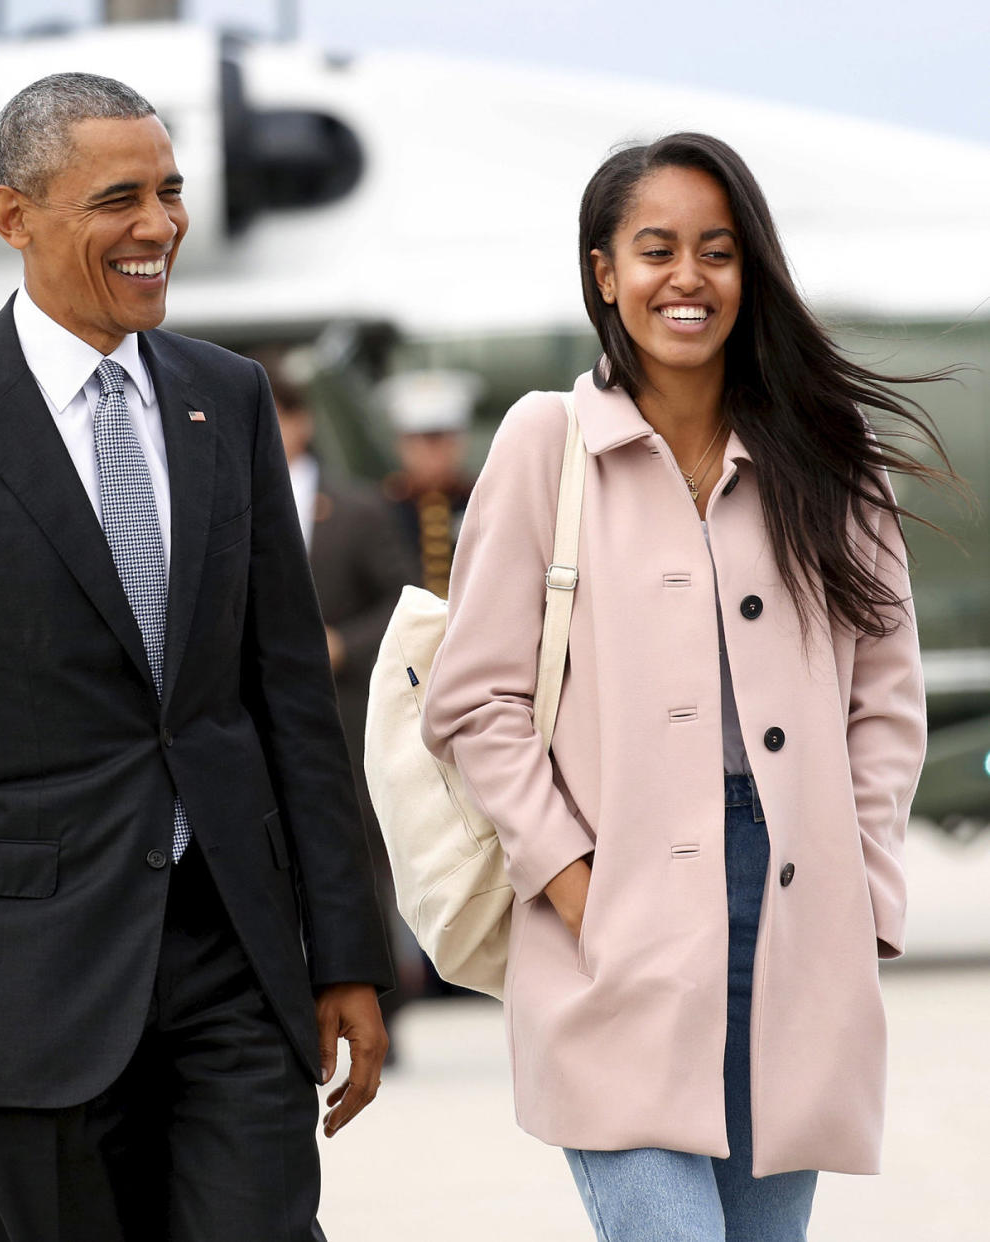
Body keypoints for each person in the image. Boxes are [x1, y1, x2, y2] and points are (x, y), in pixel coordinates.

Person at [0, 72, 391, 1242]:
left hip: (232, 955)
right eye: (118, 198)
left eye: (171, 194)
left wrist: (346, 954)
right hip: (28, 992)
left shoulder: (226, 400)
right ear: (13, 217)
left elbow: (289, 698)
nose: (159, 228)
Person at [420, 132, 944, 1241]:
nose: (688, 278)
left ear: (750, 272)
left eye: (717, 250)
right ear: (604, 273)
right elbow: (474, 700)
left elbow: (885, 697)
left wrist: (869, 890)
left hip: (797, 916)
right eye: (656, 249)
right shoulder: (545, 441)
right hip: (613, 915)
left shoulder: (830, 452)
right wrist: (574, 883)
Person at [261, 347, 424, 1038]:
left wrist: (342, 646)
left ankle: (384, 1005)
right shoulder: (215, 501)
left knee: (358, 859)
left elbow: (404, 600)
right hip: (252, 722)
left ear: (299, 421)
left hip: (346, 715)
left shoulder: (356, 509)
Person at [378, 369, 479, 599]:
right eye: (420, 440)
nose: (431, 450)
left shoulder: (482, 499)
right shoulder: (382, 507)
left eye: (442, 438)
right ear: (401, 444)